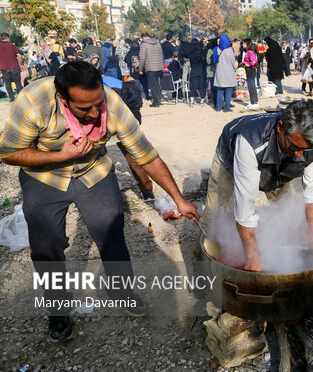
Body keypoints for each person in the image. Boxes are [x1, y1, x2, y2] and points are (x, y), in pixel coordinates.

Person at [0, 61, 199, 341]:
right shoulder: (33, 101)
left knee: (111, 233)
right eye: (84, 108)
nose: (95, 113)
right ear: (62, 98)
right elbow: (9, 152)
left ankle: (121, 291)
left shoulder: (111, 103)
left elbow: (146, 155)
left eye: (98, 103)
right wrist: (60, 155)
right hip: (44, 176)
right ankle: (58, 308)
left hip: (93, 171)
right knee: (47, 246)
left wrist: (179, 200)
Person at [196, 99, 313, 272]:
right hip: (230, 160)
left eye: (305, 149)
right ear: (280, 128)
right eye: (295, 147)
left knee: (288, 213)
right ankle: (202, 270)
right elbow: (245, 207)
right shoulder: (249, 143)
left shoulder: (308, 145)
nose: (299, 155)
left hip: (277, 165)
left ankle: (283, 245)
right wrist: (253, 257)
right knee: (214, 217)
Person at [138, 33, 165, 107]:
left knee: (153, 85)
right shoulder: (157, 43)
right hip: (159, 66)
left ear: (143, 38)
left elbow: (142, 58)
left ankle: (155, 102)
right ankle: (159, 98)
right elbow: (162, 55)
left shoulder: (144, 45)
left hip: (150, 67)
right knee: (157, 83)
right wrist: (163, 65)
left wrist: (140, 69)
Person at [0, 32, 25, 102]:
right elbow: (19, 56)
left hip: (4, 69)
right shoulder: (12, 46)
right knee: (18, 84)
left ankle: (12, 99)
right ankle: (20, 99)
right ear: (7, 38)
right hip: (14, 68)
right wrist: (22, 65)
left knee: (8, 84)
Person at [213, 34, 236, 112]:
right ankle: (227, 108)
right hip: (228, 72)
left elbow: (215, 61)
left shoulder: (216, 49)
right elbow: (233, 62)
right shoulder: (229, 50)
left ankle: (218, 107)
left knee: (220, 91)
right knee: (228, 91)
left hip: (219, 72)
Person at [182, 38, 207, 107]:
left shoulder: (191, 53)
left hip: (193, 70)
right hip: (201, 71)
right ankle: (202, 102)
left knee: (193, 86)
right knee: (201, 86)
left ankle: (192, 101)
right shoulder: (202, 52)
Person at [242, 39, 259, 110]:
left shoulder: (250, 52)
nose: (242, 44)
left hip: (250, 70)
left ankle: (253, 102)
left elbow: (254, 61)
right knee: (252, 86)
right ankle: (254, 102)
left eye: (244, 43)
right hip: (249, 70)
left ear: (247, 44)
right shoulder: (247, 51)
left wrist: (248, 64)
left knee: (251, 86)